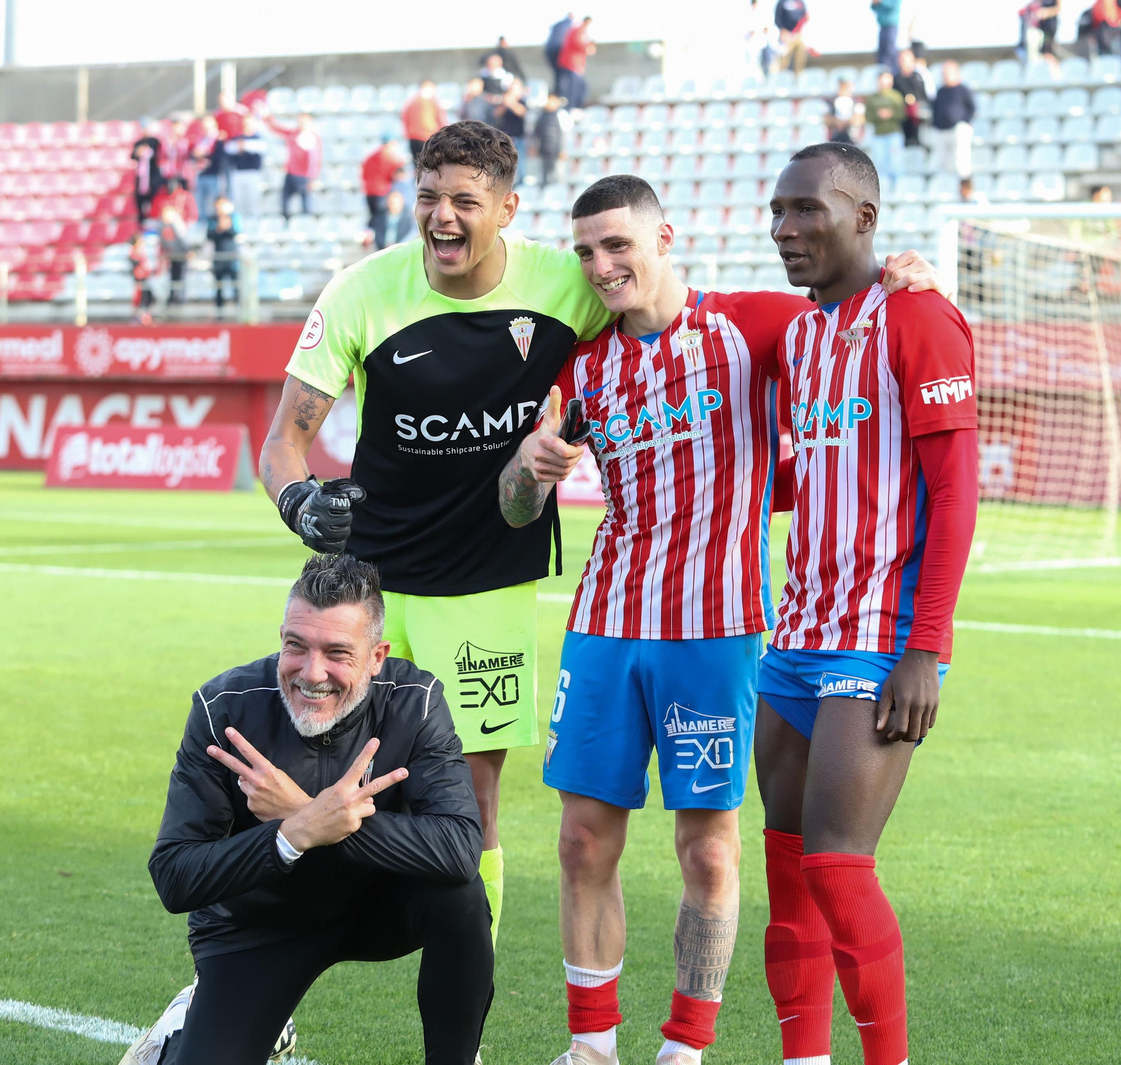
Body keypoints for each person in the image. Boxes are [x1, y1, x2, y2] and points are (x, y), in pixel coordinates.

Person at [496, 173, 946, 1065]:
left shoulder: (752, 325)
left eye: (618, 245)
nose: (601, 266)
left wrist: (911, 277)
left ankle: (685, 1045)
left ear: (666, 239)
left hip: (720, 629)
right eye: (586, 252)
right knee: (583, 838)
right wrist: (527, 467)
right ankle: (591, 1047)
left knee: (708, 851)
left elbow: (852, 315)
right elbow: (514, 509)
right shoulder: (578, 364)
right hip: (607, 623)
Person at [260, 121, 613, 959]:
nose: (442, 218)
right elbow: (281, 444)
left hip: (489, 579)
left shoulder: (569, 285)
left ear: (507, 208)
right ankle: (268, 985)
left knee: (471, 802)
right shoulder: (362, 289)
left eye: (465, 201)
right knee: (313, 786)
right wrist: (300, 504)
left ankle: (466, 1010)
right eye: (428, 198)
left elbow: (674, 312)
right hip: (370, 586)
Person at [759, 141, 978, 1065]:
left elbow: (957, 489)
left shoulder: (919, 316)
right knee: (788, 877)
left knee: (840, 869)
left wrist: (924, 646)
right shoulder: (802, 333)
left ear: (864, 217)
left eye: (808, 209)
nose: (787, 228)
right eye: (778, 211)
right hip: (795, 635)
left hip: (876, 642)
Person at [123, 553, 493, 1065]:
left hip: (378, 905)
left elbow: (458, 849)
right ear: (281, 637)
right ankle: (196, 1019)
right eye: (296, 646)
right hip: (257, 923)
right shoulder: (224, 707)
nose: (311, 672)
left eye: (337, 652)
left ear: (377, 655)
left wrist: (306, 813)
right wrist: (291, 834)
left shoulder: (414, 700)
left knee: (462, 900)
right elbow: (174, 875)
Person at [265, 112, 323, 219]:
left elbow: (315, 160)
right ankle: (285, 222)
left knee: (305, 204)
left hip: (304, 176)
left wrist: (312, 178)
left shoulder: (313, 137)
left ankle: (306, 225)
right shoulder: (293, 133)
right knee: (284, 200)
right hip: (291, 173)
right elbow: (277, 129)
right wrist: (267, 117)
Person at [928, 61, 977, 179]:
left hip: (957, 129)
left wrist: (964, 121)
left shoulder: (963, 90)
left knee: (960, 160)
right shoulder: (940, 91)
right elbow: (935, 108)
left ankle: (963, 183)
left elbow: (971, 108)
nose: (945, 76)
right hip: (941, 130)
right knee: (942, 162)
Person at [863, 70, 907, 185]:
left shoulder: (896, 96)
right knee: (880, 164)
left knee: (895, 163)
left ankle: (898, 187)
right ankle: (884, 189)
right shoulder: (872, 98)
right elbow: (868, 116)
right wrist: (879, 115)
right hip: (878, 135)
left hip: (894, 134)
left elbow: (902, 114)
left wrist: (890, 114)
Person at [361, 139, 409, 244]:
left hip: (369, 192)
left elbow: (363, 173)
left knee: (374, 217)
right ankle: (379, 239)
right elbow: (396, 169)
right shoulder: (387, 156)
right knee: (381, 218)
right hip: (381, 192)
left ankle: (368, 235)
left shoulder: (371, 157)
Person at [226, 118, 267, 222]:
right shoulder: (237, 138)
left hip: (253, 173)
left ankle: (254, 222)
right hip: (238, 172)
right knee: (238, 201)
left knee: (252, 200)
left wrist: (245, 146)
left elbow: (261, 148)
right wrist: (239, 146)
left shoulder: (257, 137)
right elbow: (229, 148)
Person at [190, 116, 225, 225]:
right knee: (200, 202)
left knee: (213, 202)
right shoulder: (200, 140)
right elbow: (193, 155)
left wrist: (204, 154)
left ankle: (213, 224)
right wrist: (196, 155)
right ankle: (202, 223)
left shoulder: (217, 139)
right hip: (201, 175)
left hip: (213, 175)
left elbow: (218, 156)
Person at [208, 197, 241, 312]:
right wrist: (219, 228)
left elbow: (236, 231)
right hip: (218, 258)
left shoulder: (233, 217)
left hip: (232, 258)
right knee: (218, 288)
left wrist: (226, 226)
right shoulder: (213, 219)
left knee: (236, 286)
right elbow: (209, 234)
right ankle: (219, 313)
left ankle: (240, 311)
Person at [404, 81, 448, 164]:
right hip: (425, 138)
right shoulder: (431, 102)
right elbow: (441, 121)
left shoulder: (412, 102)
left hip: (420, 138)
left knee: (421, 167)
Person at [894, 48, 930, 148]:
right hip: (902, 120)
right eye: (902, 59)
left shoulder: (919, 77)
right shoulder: (896, 79)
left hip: (919, 118)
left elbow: (925, 96)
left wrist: (915, 102)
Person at [558, 16, 596, 109]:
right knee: (575, 89)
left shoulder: (579, 30)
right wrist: (587, 48)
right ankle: (572, 109)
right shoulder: (579, 30)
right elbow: (577, 42)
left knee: (578, 87)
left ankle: (573, 108)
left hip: (574, 65)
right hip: (572, 65)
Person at [157, 204, 192, 306]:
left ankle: (181, 298)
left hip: (181, 255)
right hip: (172, 255)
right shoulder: (162, 226)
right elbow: (163, 241)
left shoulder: (177, 224)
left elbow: (183, 240)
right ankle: (173, 297)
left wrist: (187, 251)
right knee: (173, 276)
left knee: (181, 276)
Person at [131, 124, 164, 225]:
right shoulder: (138, 143)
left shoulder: (155, 141)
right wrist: (138, 152)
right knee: (140, 202)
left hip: (152, 178)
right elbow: (133, 155)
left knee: (154, 202)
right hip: (142, 180)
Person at [494, 80, 531, 171]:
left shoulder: (522, 101)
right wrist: (505, 103)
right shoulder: (504, 102)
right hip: (505, 135)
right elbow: (496, 114)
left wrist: (512, 103)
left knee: (520, 161)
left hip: (518, 136)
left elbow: (522, 112)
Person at [533, 95, 569, 186]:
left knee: (558, 175)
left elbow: (564, 135)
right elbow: (537, 133)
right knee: (544, 176)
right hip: (544, 150)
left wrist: (563, 149)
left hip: (556, 150)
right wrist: (535, 147)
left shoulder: (561, 114)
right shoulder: (541, 115)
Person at [130, 231, 159, 324]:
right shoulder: (134, 252)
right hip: (140, 279)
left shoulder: (140, 252)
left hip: (145, 278)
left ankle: (146, 318)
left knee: (149, 298)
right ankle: (140, 319)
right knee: (142, 299)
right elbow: (137, 266)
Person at [774, 0, 810, 73]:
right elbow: (777, 19)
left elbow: (805, 16)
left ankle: (798, 78)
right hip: (786, 34)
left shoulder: (800, 2)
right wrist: (783, 31)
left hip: (798, 34)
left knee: (800, 59)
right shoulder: (782, 2)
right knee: (784, 60)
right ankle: (781, 78)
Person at [824, 78, 862, 144]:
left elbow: (860, 119)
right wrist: (837, 122)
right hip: (835, 136)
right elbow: (826, 119)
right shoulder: (831, 102)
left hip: (851, 137)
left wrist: (846, 122)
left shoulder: (856, 102)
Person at [871, 0, 902, 73]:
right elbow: (874, 8)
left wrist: (881, 2)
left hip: (891, 26)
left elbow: (893, 6)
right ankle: (882, 73)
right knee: (881, 54)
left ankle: (893, 72)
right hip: (882, 27)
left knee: (890, 51)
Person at [547, 11, 576, 79]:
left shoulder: (558, 24)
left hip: (548, 48)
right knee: (562, 73)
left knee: (557, 72)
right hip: (558, 49)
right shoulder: (570, 25)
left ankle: (558, 88)